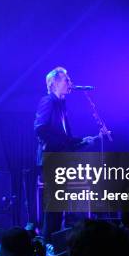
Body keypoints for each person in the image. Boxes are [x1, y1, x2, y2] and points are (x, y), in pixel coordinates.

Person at [34, 67, 97, 244]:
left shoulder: (61, 106)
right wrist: (61, 148)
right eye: (66, 80)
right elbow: (40, 129)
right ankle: (48, 242)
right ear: (53, 83)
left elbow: (66, 139)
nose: (70, 83)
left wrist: (83, 141)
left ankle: (53, 241)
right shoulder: (48, 101)